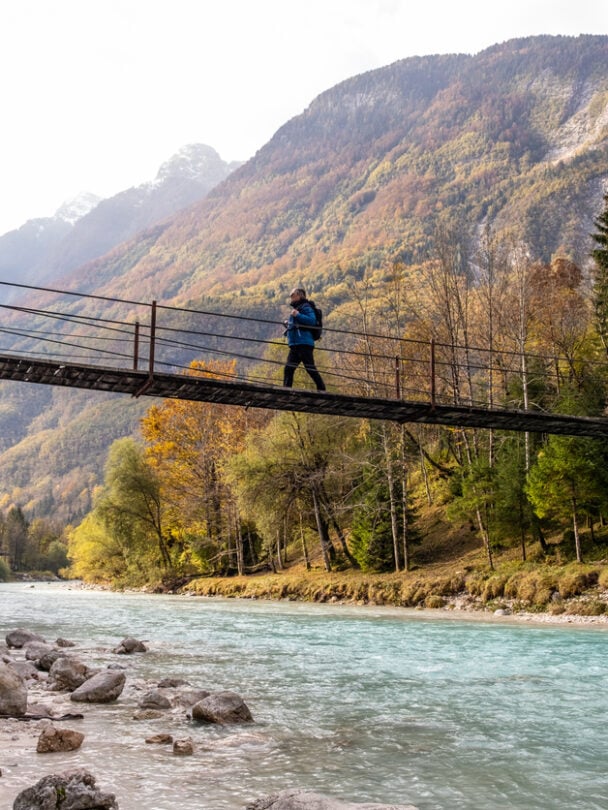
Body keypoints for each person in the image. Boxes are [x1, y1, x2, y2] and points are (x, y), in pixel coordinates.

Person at [282, 287, 326, 391]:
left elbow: (311, 321)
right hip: (296, 344)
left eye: (293, 295)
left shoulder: (306, 307)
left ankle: (322, 389)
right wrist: (288, 324)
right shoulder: (298, 308)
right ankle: (286, 391)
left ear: (299, 295)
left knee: (309, 368)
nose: (291, 297)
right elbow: (298, 324)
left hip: (304, 344)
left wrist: (298, 315)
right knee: (289, 368)